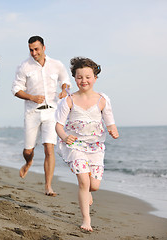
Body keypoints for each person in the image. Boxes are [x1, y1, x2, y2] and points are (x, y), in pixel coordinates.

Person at [55, 57, 119, 231]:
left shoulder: (102, 99)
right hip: (75, 145)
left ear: (95, 78)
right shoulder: (68, 100)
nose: (84, 80)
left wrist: (113, 130)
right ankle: (86, 220)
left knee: (94, 186)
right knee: (83, 181)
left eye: (88, 77)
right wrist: (64, 136)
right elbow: (58, 125)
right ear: (74, 78)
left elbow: (110, 121)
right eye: (79, 77)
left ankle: (89, 192)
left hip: (95, 147)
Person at [12, 36, 71, 196]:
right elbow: (16, 89)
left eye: (36, 49)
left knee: (49, 148)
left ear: (44, 48)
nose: (34, 52)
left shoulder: (56, 64)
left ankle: (48, 186)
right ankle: (28, 162)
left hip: (52, 111)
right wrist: (31, 97)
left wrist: (64, 89)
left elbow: (65, 80)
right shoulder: (24, 66)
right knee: (28, 150)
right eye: (31, 49)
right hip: (32, 112)